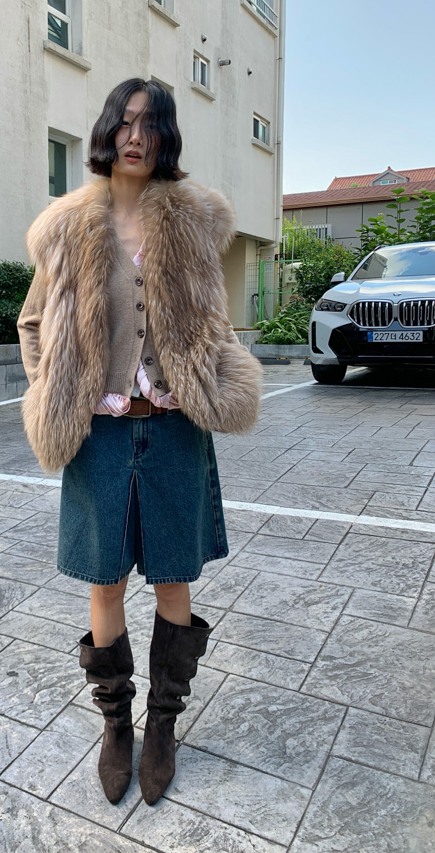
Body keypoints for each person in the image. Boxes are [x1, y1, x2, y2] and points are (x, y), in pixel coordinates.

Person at [17, 78, 262, 806]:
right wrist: (56, 388)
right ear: (106, 131)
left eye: (150, 124)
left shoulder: (193, 220)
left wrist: (204, 375)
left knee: (175, 576)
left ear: (165, 138)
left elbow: (213, 320)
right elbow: (33, 323)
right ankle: (116, 725)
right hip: (98, 436)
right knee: (105, 580)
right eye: (124, 122)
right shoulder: (67, 226)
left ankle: (163, 726)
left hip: (175, 431)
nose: (135, 136)